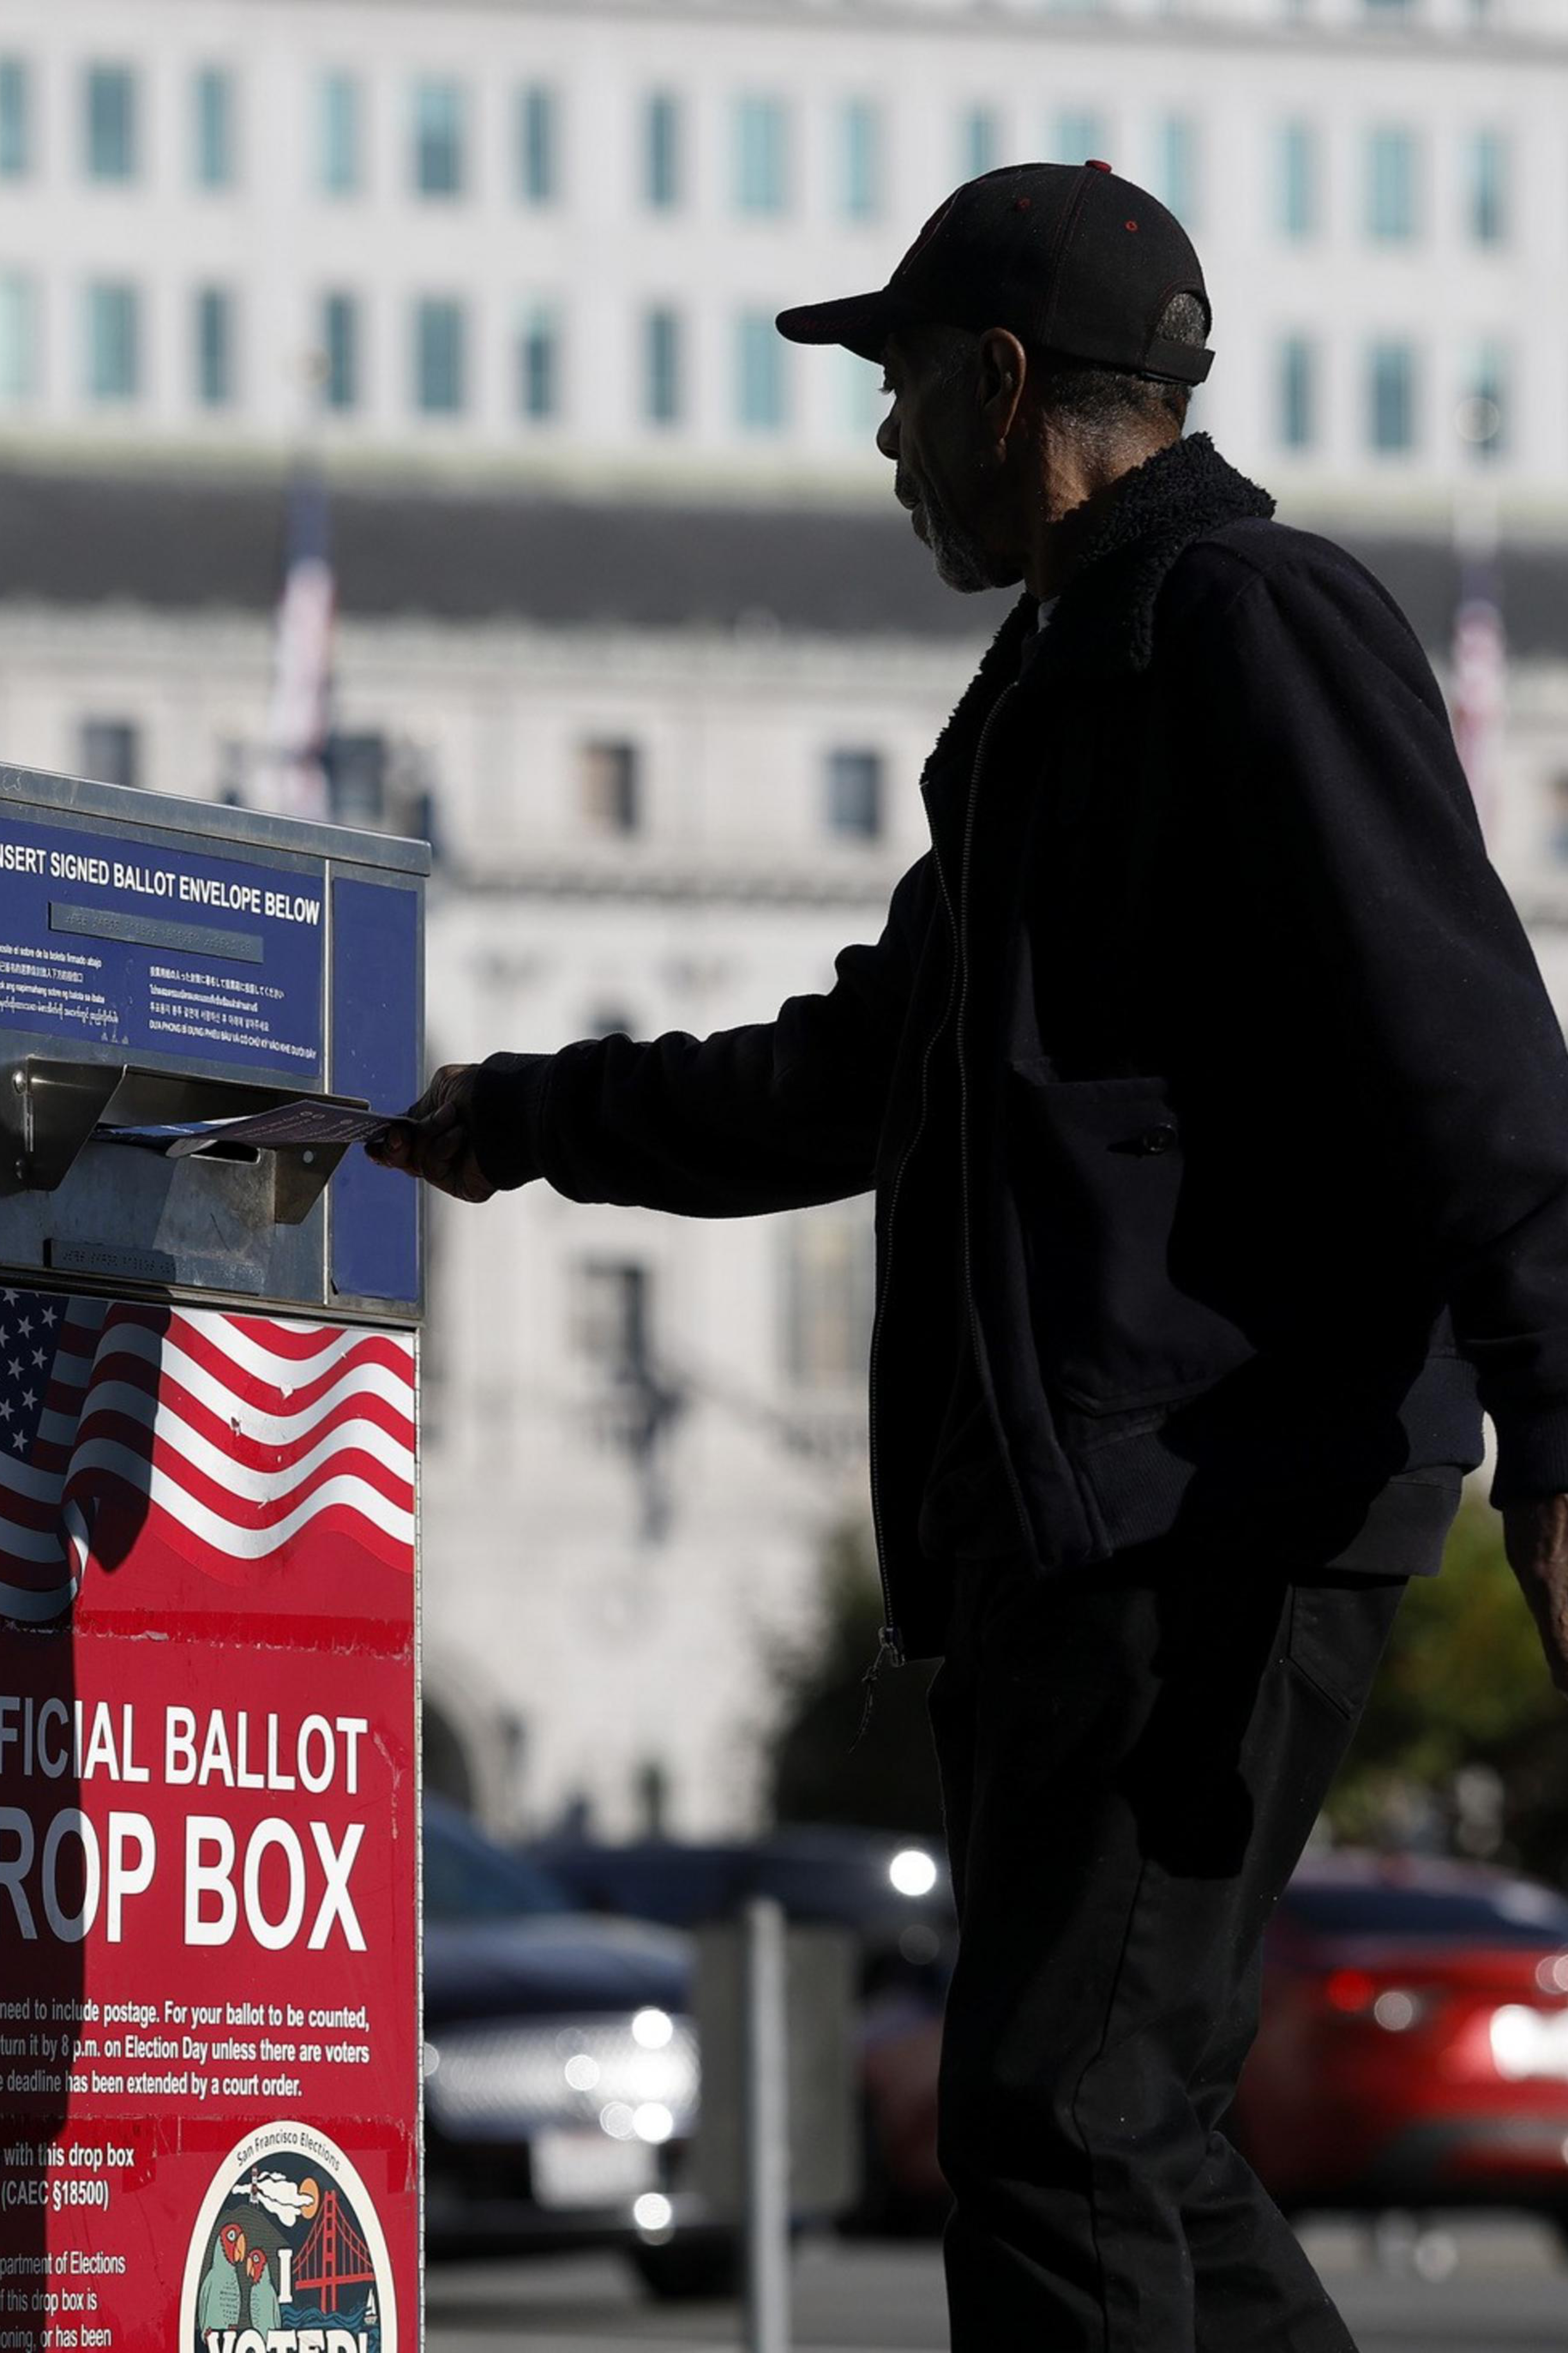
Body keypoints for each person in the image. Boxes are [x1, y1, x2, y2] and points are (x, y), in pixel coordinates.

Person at [371, 162, 1568, 2350]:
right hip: (1077, 1525)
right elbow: (856, 1075)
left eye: (904, 385)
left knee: (1055, 2127)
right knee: (1118, 2129)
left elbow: (1469, 1052)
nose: (885, 443)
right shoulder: (1050, 700)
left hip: (1200, 1512)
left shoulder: (1247, 623)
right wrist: (514, 1119)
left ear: (1006, 385)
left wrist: (1562, 1432)